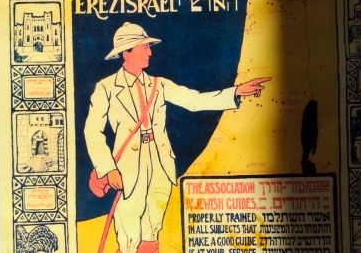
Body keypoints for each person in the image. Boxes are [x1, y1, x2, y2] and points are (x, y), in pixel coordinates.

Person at [84, 21, 270, 253]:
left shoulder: (158, 85)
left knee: (152, 231)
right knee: (128, 234)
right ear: (127, 52)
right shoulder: (106, 88)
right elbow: (92, 131)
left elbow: (194, 101)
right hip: (127, 172)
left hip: (160, 165)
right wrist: (108, 169)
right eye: (144, 47)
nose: (150, 52)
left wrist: (235, 92)